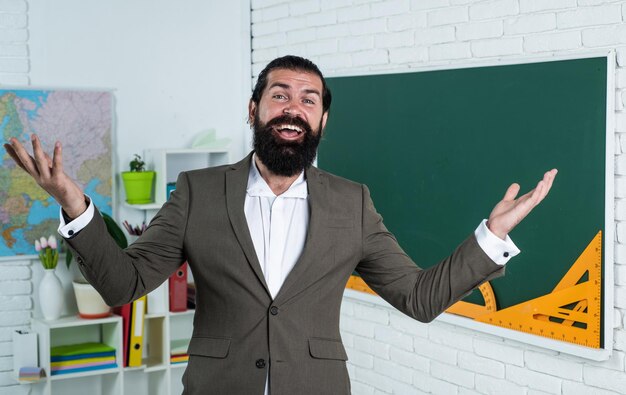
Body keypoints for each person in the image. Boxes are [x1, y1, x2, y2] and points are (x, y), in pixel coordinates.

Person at [4, 55, 557, 395]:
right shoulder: (198, 192)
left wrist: (491, 236)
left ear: (322, 119)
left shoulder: (352, 203)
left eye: (308, 100)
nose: (294, 108)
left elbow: (418, 297)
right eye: (280, 95)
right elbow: (124, 284)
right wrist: (76, 206)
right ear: (254, 110)